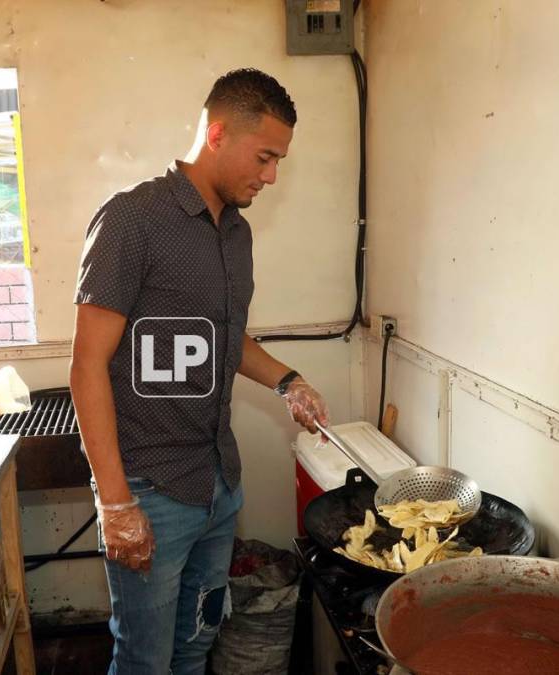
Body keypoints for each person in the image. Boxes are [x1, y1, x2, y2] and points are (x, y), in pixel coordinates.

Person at [69, 68, 330, 674]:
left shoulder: (235, 234)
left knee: (195, 645)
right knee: (144, 659)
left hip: (219, 483)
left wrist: (289, 382)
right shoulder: (131, 221)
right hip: (151, 491)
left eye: (279, 162)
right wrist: (115, 504)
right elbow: (87, 366)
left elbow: (224, 338)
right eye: (264, 157)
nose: (271, 177)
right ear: (216, 134)